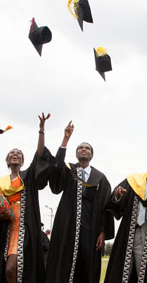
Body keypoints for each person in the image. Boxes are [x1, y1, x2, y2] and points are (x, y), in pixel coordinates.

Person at [0, 113, 55, 283]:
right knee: (7, 269)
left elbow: (39, 156)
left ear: (23, 160)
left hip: (25, 227)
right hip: (7, 229)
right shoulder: (0, 184)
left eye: (18, 153)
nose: (15, 154)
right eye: (12, 153)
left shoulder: (28, 178)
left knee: (14, 267)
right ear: (7, 160)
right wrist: (1, 216)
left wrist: (41, 130)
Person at [45, 121, 114, 283]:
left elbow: (106, 207)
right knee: (64, 263)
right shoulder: (69, 170)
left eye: (87, 148)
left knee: (87, 267)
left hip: (91, 230)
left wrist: (103, 232)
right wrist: (65, 140)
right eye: (80, 148)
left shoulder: (100, 178)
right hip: (67, 226)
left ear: (92, 155)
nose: (84, 149)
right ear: (76, 154)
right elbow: (55, 179)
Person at [104, 151, 147, 283]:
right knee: (122, 274)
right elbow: (116, 203)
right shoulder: (133, 181)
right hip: (129, 235)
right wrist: (117, 196)